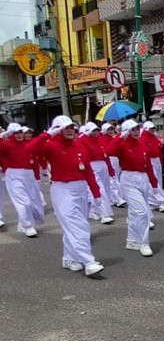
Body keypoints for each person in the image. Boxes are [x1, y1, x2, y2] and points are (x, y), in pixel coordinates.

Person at [27, 116, 105, 278]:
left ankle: (69, 259)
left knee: (77, 224)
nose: (70, 130)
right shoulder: (50, 146)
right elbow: (29, 150)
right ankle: (88, 261)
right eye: (65, 128)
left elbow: (88, 171)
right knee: (78, 226)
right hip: (63, 190)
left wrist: (96, 193)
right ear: (58, 129)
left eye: (72, 127)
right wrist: (47, 134)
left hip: (81, 189)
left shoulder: (80, 146)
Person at [107, 120, 158, 258]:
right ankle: (144, 242)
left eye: (137, 129)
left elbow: (148, 164)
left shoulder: (142, 144)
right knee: (142, 211)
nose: (136, 131)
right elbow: (109, 151)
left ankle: (132, 240)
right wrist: (120, 136)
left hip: (143, 178)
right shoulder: (122, 144)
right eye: (133, 129)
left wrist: (153, 182)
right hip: (128, 178)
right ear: (127, 131)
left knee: (136, 212)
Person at [0, 123, 44, 237]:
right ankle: (28, 226)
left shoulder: (27, 144)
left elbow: (37, 152)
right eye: (15, 133)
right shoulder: (6, 145)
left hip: (29, 175)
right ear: (10, 134)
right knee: (24, 202)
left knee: (34, 203)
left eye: (20, 132)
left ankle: (22, 223)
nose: (19, 135)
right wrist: (2, 135)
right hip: (13, 174)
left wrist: (36, 175)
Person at [77, 122, 115, 225]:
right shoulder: (82, 140)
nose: (96, 132)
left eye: (97, 130)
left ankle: (94, 211)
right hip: (92, 166)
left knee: (106, 190)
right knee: (99, 189)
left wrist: (110, 169)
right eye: (93, 130)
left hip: (103, 166)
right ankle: (104, 214)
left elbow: (105, 155)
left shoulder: (100, 140)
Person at [140, 121, 164, 213]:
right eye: (151, 128)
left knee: (158, 181)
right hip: (150, 161)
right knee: (154, 181)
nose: (153, 130)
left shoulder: (154, 137)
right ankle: (160, 201)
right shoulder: (143, 138)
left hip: (157, 160)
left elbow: (158, 149)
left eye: (153, 128)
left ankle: (154, 202)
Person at [101, 123, 126, 208]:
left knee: (117, 178)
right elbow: (107, 150)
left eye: (112, 129)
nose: (111, 131)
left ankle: (119, 196)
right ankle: (116, 198)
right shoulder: (103, 139)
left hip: (116, 159)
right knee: (112, 179)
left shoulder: (113, 138)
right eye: (108, 129)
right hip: (109, 159)